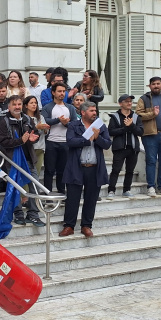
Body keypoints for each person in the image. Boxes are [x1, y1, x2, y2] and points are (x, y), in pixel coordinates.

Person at [59, 102, 111, 238]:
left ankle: (86, 225)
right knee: (72, 198)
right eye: (92, 111)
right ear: (83, 112)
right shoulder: (73, 125)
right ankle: (69, 226)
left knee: (91, 198)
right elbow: (70, 141)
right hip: (76, 167)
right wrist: (88, 139)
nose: (95, 113)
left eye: (95, 110)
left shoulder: (100, 126)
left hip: (94, 168)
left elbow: (107, 144)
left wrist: (97, 137)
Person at [0, 95, 44, 226]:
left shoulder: (27, 119)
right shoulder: (4, 122)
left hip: (29, 158)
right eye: (14, 104)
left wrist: (34, 137)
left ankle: (33, 214)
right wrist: (20, 141)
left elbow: (34, 132)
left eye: (19, 104)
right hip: (13, 161)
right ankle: (18, 214)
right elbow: (3, 142)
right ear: (9, 107)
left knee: (34, 186)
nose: (17, 107)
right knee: (15, 188)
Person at [41, 82, 76, 194]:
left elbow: (75, 124)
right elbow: (45, 121)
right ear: (53, 92)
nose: (62, 93)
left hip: (65, 142)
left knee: (62, 170)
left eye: (64, 91)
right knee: (49, 170)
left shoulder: (70, 107)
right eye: (59, 91)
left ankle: (61, 192)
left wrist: (66, 124)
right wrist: (59, 120)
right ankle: (48, 193)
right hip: (51, 142)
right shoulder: (48, 107)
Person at [107, 94, 144, 198]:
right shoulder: (115, 116)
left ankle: (126, 190)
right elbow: (110, 131)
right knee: (116, 170)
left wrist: (131, 125)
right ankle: (111, 190)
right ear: (120, 104)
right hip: (119, 148)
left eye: (130, 101)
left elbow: (141, 132)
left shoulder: (136, 117)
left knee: (130, 171)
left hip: (133, 148)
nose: (129, 103)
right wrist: (125, 129)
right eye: (126, 101)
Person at [24, 95, 49, 178]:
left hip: (40, 148)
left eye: (35, 103)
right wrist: (37, 127)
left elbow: (46, 132)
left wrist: (45, 128)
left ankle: (34, 190)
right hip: (28, 149)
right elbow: (24, 132)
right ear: (26, 105)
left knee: (36, 174)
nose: (34, 105)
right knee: (27, 174)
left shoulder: (40, 117)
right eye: (31, 103)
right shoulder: (24, 118)